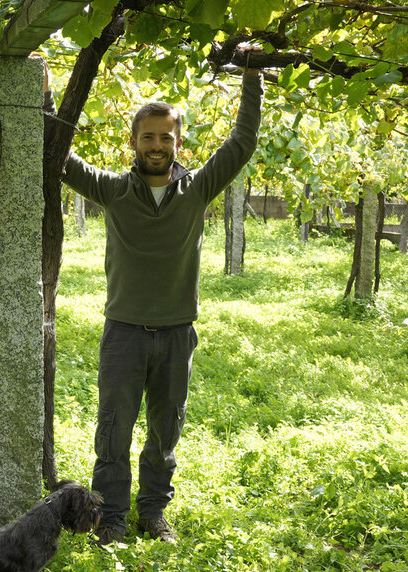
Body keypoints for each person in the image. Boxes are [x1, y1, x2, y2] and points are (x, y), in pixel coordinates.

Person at [44, 50, 263, 544]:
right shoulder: (114, 190)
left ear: (178, 141)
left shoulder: (199, 187)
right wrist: (45, 96)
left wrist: (252, 77)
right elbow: (62, 160)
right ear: (134, 142)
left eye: (166, 136)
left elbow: (243, 141)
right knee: (114, 433)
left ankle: (152, 513)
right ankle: (113, 518)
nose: (157, 144)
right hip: (124, 332)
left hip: (177, 334)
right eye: (148, 136)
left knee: (166, 434)